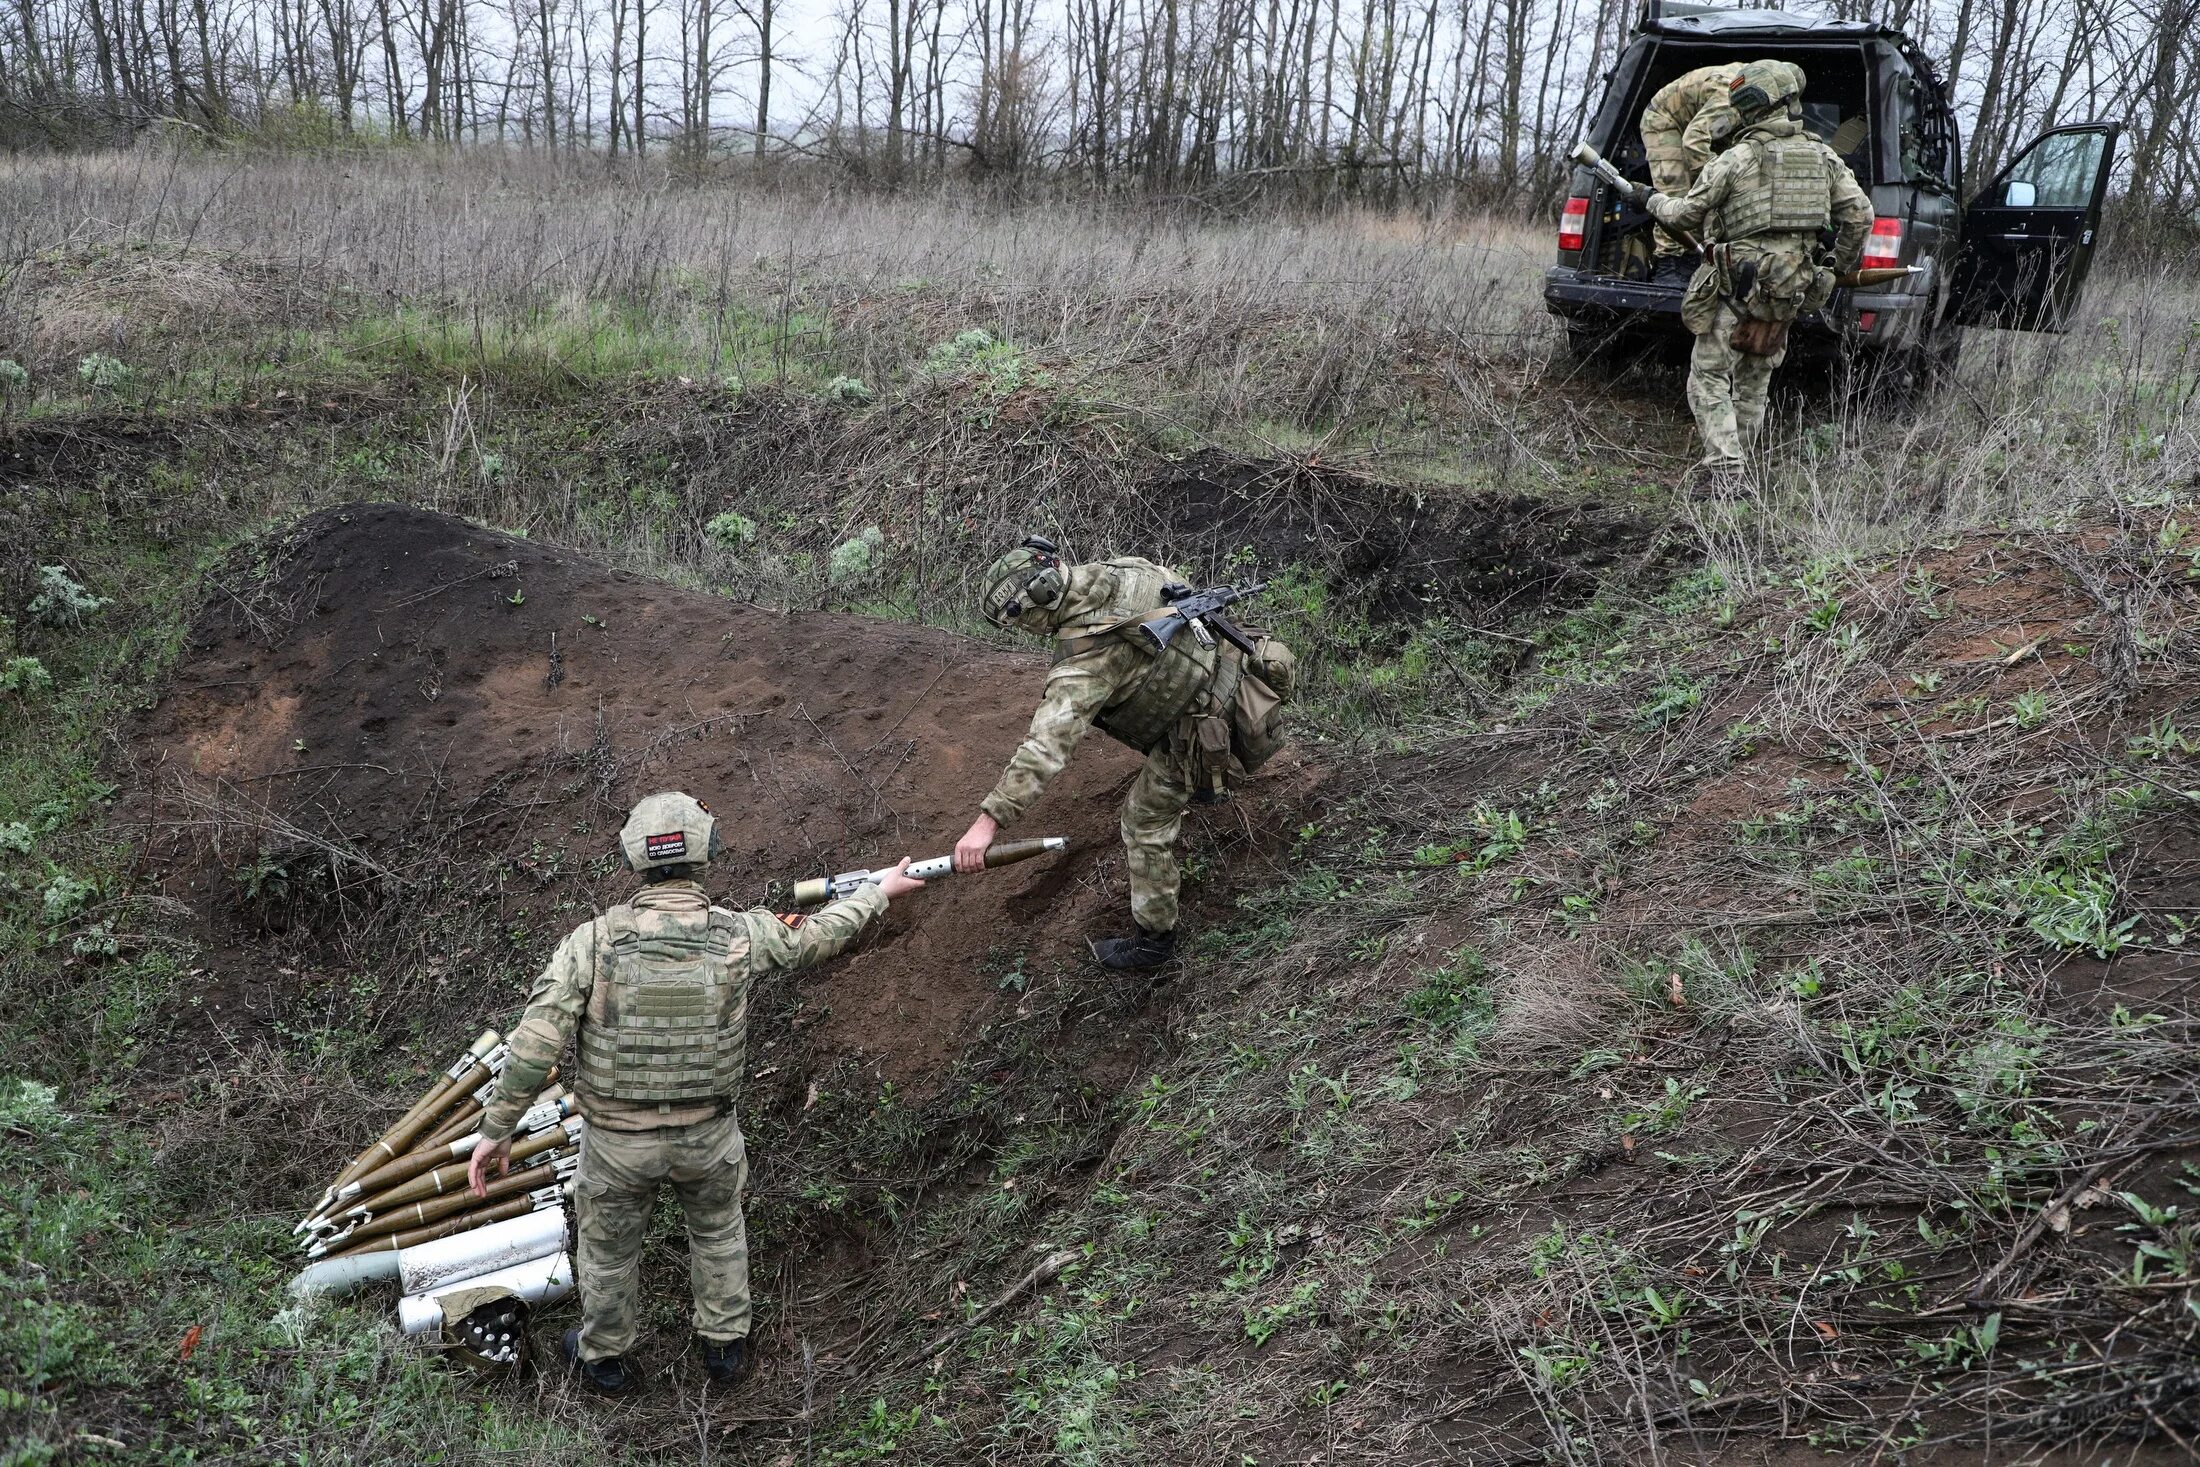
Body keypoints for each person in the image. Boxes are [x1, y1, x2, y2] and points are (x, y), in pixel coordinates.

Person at [467, 791, 924, 1395]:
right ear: (705, 853)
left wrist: (496, 1129)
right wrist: (875, 893)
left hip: (615, 1144)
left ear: (636, 858)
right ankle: (725, 1348)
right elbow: (816, 938)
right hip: (707, 1135)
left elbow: (533, 1046)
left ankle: (604, 1358)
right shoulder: (739, 935)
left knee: (607, 1254)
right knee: (717, 1232)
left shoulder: (593, 943)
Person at [952, 538, 1293, 971]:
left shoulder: (1086, 664)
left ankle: (1154, 945)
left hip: (1209, 729)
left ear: (1038, 608)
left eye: (1020, 621)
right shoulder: (1126, 570)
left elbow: (1045, 748)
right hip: (1237, 679)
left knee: (1143, 822)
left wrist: (988, 824)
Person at [1637, 60, 1872, 487]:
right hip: (1790, 287)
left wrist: (1652, 201)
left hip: (1736, 285)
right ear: (1790, 102)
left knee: (1709, 376)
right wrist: (1834, 268)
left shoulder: (1737, 157)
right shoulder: (1825, 157)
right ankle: (1738, 468)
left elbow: (1687, 213)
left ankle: (1726, 469)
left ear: (1747, 107)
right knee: (1754, 378)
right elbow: (1860, 217)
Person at [1637, 62, 1746, 278]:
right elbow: (1694, 141)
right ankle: (1670, 266)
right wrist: (1710, 186)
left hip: (1697, 123)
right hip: (1665, 120)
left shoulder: (1753, 87)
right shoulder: (1732, 98)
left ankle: (1699, 257)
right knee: (1675, 198)